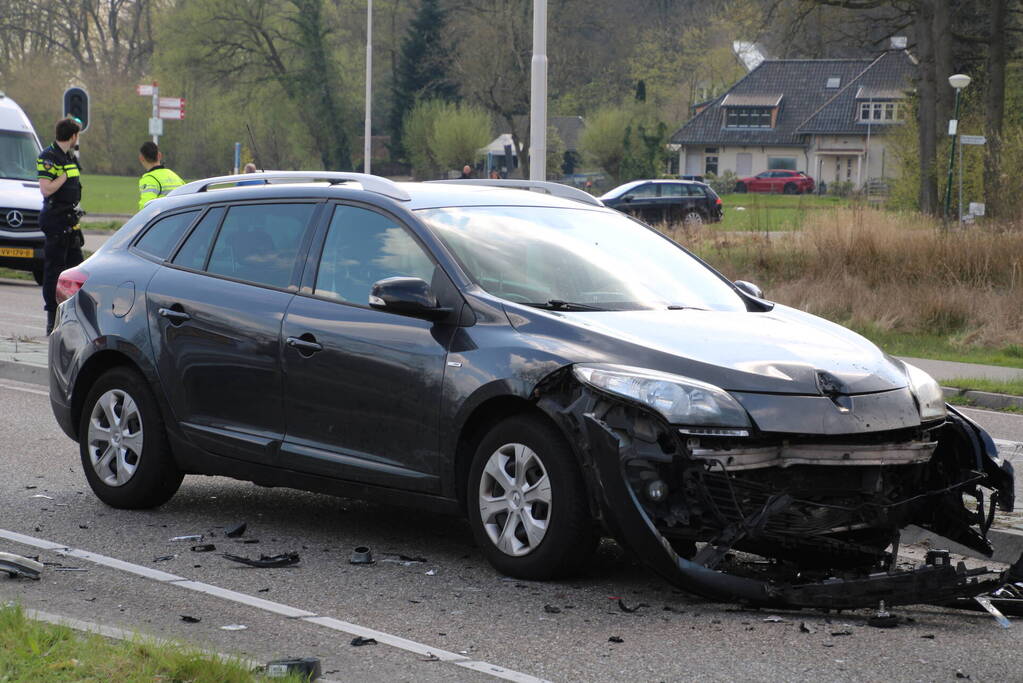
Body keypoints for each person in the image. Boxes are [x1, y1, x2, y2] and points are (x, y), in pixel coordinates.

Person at [37, 117, 85, 335]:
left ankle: (74, 316)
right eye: (78, 135)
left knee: (78, 269)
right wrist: (64, 176)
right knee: (54, 270)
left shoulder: (69, 156)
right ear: (73, 136)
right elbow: (46, 189)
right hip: (55, 220)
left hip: (70, 221)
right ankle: (52, 319)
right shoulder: (49, 157)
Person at [138, 141, 185, 209]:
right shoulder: (174, 175)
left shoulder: (149, 179)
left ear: (141, 158)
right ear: (159, 155)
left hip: (165, 218)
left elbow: (146, 208)